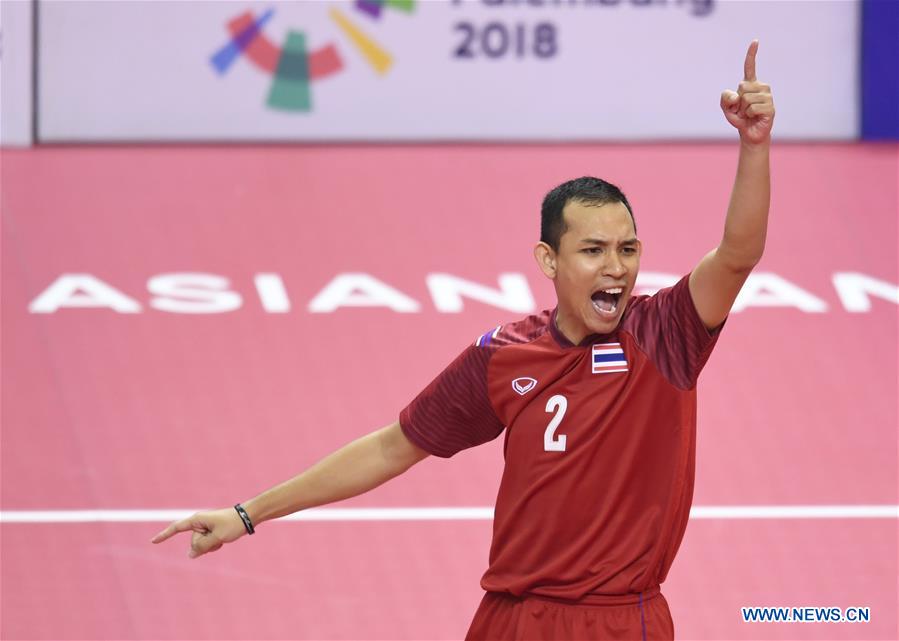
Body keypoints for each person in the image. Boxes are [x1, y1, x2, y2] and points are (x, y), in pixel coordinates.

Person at [152, 40, 774, 640]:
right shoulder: (505, 355)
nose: (616, 267)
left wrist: (753, 145)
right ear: (549, 260)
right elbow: (393, 447)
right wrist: (247, 515)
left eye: (628, 249)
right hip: (510, 617)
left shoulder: (666, 335)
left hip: (615, 622)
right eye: (593, 250)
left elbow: (737, 254)